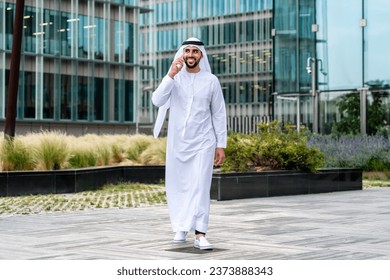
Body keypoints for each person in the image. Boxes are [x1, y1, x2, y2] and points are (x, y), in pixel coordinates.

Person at [151, 37, 227, 250]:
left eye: (195, 51)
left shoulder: (211, 80)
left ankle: (200, 233)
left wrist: (221, 144)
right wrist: (170, 75)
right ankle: (181, 227)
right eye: (187, 51)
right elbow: (157, 101)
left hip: (204, 142)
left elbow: (219, 114)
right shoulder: (174, 78)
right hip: (178, 143)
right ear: (182, 54)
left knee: (201, 187)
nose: (191, 55)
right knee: (178, 185)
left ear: (201, 55)